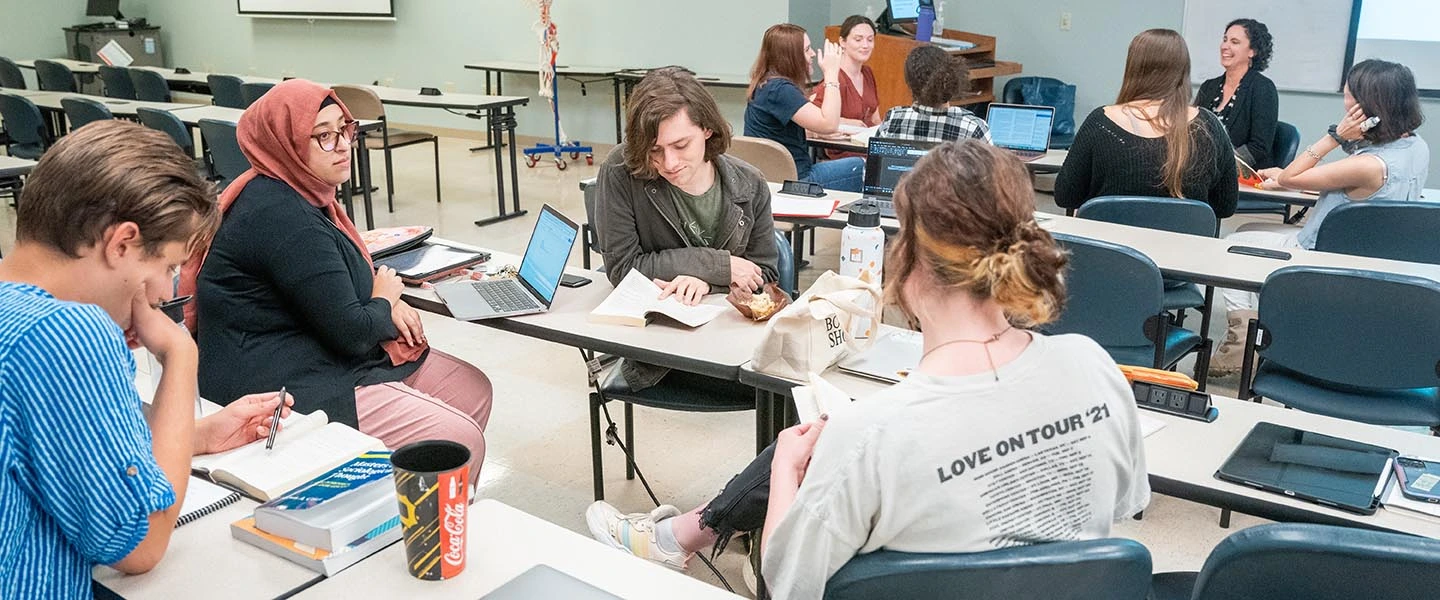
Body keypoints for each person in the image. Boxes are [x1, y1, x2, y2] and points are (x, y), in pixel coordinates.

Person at [586, 140, 1150, 600]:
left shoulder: (867, 437)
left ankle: (681, 534)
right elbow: (1124, 506)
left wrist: (785, 467)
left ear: (905, 263)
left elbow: (788, 584)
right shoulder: (1094, 367)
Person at [0, 120, 295, 597]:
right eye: (168, 267)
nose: (165, 292)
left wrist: (190, 436)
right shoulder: (63, 333)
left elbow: (47, 446)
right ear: (122, 243)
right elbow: (139, 542)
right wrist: (180, 355)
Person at [178, 79, 493, 483]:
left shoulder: (298, 192)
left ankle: (417, 500)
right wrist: (385, 298)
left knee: (472, 389)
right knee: (457, 435)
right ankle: (426, 529)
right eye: (323, 136)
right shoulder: (280, 215)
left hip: (315, 347)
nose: (343, 144)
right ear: (286, 143)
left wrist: (383, 300)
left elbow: (332, 290)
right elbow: (353, 334)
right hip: (283, 381)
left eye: (344, 129)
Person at [1210, 59, 1429, 375]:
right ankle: (1258, 324)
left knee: (1231, 245)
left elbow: (1289, 179)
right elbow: (1359, 192)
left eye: (1349, 96)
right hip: (1369, 257)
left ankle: (1242, 342)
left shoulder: (1369, 165)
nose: (1344, 100)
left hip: (1320, 256)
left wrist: (1335, 137)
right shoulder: (1415, 147)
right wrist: (1297, 178)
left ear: (1369, 106)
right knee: (1250, 228)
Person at [596, 66, 779, 391]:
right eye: (654, 150)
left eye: (681, 145)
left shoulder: (749, 184)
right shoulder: (620, 171)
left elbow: (763, 274)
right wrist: (719, 266)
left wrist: (704, 282)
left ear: (707, 129)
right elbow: (623, 268)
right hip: (655, 356)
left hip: (732, 349)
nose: (669, 163)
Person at [1055, 29, 1237, 218]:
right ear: (1183, 70)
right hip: (1183, 247)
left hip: (1111, 246)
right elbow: (1225, 206)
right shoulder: (1208, 125)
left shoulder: (1100, 122)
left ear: (1133, 68)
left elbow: (1065, 196)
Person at [745, 23, 866, 192]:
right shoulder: (781, 90)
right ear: (791, 56)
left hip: (773, 177)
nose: (813, 54)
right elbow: (829, 124)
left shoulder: (766, 85)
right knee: (864, 167)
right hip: (795, 180)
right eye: (807, 49)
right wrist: (832, 74)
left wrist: (817, 130)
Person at [1195, 18, 1279, 169]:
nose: (1225, 46)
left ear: (1252, 51)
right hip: (1205, 171)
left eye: (1234, 42)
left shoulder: (1263, 88)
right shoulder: (1208, 87)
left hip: (1242, 177)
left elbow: (1259, 147)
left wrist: (1220, 168)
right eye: (1225, 40)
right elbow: (1193, 132)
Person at [877, 44, 990, 143]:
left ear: (910, 83)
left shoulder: (893, 119)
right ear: (954, 79)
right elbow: (995, 167)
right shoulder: (973, 128)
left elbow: (875, 163)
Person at [811, 15, 881, 159]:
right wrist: (847, 122)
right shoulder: (834, 78)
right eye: (858, 39)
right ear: (842, 41)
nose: (865, 45)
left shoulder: (867, 73)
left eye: (870, 39)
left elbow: (875, 118)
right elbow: (813, 119)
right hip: (845, 153)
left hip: (868, 148)